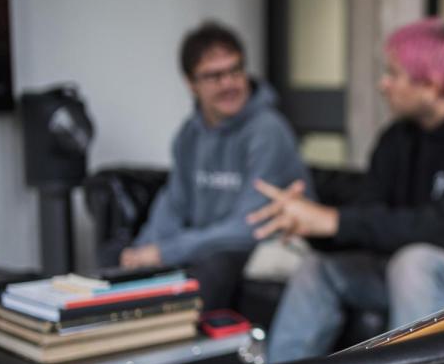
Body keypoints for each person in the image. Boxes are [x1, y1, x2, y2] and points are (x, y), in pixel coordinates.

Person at [249, 17, 444, 363]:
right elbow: (370, 219)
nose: (383, 84)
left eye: (393, 73)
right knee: (319, 268)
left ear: (432, 83)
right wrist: (315, 226)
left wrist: (337, 221)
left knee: (415, 262)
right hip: (427, 285)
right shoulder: (398, 139)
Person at [121, 21, 313, 311]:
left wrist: (167, 251)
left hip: (262, 242)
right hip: (213, 242)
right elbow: (174, 204)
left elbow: (250, 226)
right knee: (121, 259)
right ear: (191, 83)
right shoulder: (189, 133)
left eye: (235, 71)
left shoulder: (268, 131)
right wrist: (140, 252)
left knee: (213, 267)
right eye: (214, 76)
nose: (229, 84)